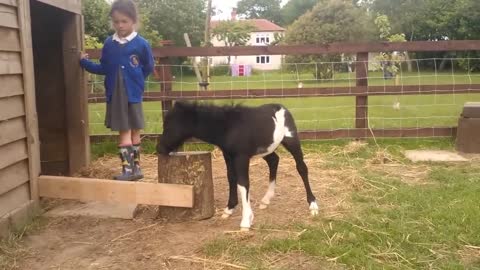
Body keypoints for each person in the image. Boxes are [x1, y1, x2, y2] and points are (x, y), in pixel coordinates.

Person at [80, 0, 154, 181]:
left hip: (133, 94)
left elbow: (148, 67)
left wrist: (136, 81)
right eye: (116, 22)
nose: (120, 25)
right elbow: (104, 68)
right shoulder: (109, 44)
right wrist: (85, 62)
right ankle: (129, 170)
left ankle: (134, 170)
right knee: (124, 130)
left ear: (133, 21)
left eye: (124, 21)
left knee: (134, 130)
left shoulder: (141, 44)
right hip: (116, 94)